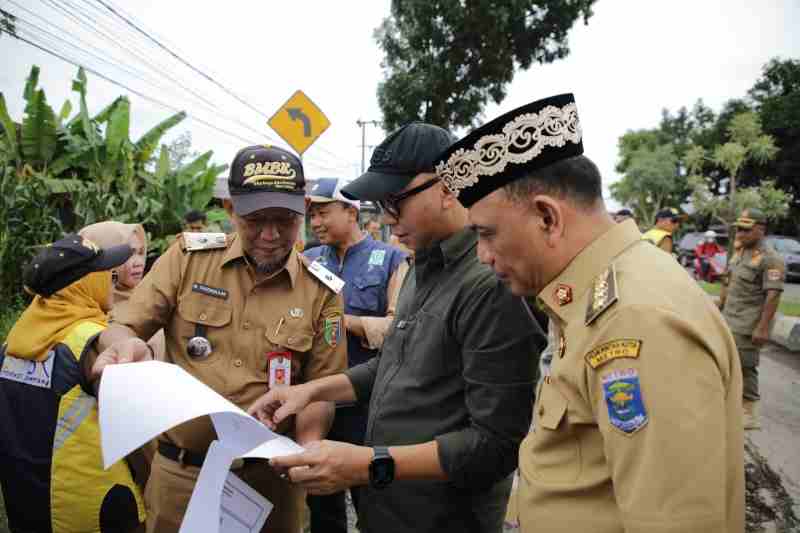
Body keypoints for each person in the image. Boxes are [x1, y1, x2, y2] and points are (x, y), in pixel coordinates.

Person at [442, 93, 744, 532]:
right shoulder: (593, 295)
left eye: (487, 234)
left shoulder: (635, 318)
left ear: (547, 218)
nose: (483, 255)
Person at [249, 123, 546, 533]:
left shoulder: (489, 282)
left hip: (443, 519)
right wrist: (310, 391)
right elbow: (392, 364)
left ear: (446, 188)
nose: (387, 218)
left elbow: (496, 444)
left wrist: (370, 464)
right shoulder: (421, 266)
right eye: (380, 204)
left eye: (395, 202)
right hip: (388, 510)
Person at [87, 145, 348, 533]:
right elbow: (123, 326)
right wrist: (123, 344)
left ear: (305, 209)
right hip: (182, 478)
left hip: (271, 485)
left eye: (284, 220)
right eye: (255, 220)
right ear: (230, 209)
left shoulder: (323, 292)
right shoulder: (187, 259)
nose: (270, 235)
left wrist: (308, 446)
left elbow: (322, 389)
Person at [0, 234, 145, 533]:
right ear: (83, 284)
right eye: (105, 273)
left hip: (25, 499)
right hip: (93, 506)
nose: (112, 280)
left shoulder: (15, 340)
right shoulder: (90, 343)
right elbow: (135, 432)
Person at [303, 177, 407, 533]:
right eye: (312, 215)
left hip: (368, 403)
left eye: (323, 213)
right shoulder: (308, 260)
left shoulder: (392, 259)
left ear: (351, 212)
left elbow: (396, 329)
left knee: (373, 499)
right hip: (317, 403)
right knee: (320, 504)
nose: (315, 222)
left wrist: (339, 320)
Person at [719, 208, 785, 430]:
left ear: (760, 229)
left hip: (748, 323)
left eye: (746, 229)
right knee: (728, 363)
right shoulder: (740, 251)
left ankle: (749, 414)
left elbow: (773, 295)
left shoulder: (771, 259)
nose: (740, 233)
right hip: (729, 318)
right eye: (739, 228)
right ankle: (731, 405)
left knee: (746, 367)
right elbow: (728, 280)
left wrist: (763, 328)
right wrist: (720, 305)